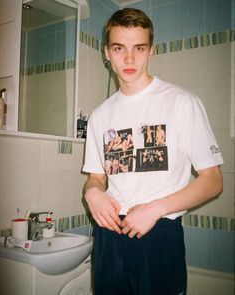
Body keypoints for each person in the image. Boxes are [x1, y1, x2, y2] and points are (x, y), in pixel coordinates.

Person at [82, 7, 223, 295]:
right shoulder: (99, 116)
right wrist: (91, 193)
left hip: (159, 232)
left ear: (151, 51)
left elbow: (213, 181)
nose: (130, 59)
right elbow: (97, 178)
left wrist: (154, 209)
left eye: (139, 48)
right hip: (109, 236)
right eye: (119, 48)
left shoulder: (182, 102)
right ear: (106, 53)